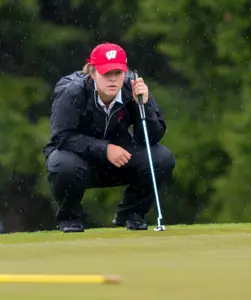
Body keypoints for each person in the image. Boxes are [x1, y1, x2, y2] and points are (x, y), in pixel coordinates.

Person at [43, 42, 175, 233]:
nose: (113, 80)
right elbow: (61, 137)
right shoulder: (72, 91)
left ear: (125, 72)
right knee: (61, 163)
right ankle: (70, 218)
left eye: (118, 73)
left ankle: (131, 214)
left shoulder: (134, 89)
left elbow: (150, 138)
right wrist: (104, 149)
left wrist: (144, 105)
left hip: (119, 158)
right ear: (93, 72)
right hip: (79, 160)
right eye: (106, 74)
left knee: (162, 158)